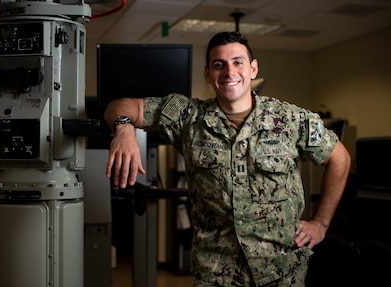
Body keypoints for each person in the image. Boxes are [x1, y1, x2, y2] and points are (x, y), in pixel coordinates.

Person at [103, 31, 351, 286]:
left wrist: (320, 223)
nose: (229, 72)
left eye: (238, 62)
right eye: (219, 65)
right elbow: (119, 105)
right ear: (208, 73)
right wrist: (124, 128)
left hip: (282, 271)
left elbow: (340, 159)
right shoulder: (188, 117)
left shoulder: (289, 119)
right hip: (217, 273)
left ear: (253, 69)